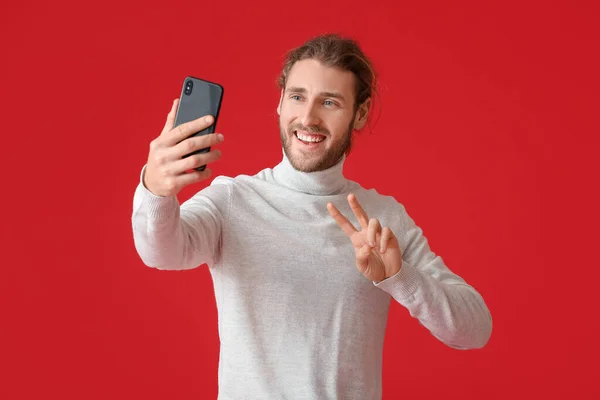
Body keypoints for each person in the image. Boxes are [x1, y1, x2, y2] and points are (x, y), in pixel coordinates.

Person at [131, 33, 493, 399]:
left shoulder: (383, 217)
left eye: (330, 102)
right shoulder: (232, 199)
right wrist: (156, 190)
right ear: (280, 102)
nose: (308, 117)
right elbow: (160, 252)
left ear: (360, 113)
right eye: (297, 96)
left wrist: (400, 277)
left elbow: (475, 329)